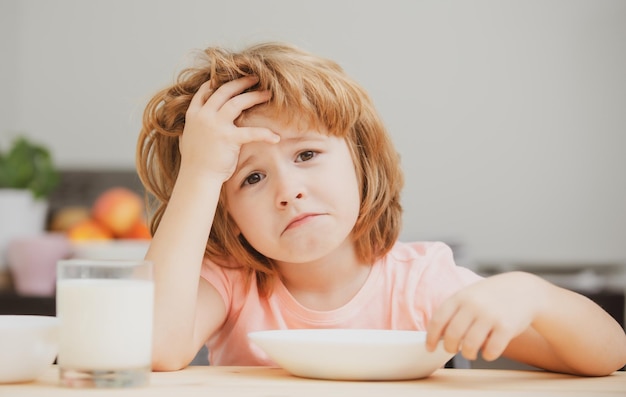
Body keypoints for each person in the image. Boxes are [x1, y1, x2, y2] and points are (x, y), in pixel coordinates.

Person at [136, 42, 626, 375]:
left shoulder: (418, 283)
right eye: (251, 177)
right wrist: (200, 173)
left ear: (362, 163)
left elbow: (608, 357)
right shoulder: (231, 283)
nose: (288, 191)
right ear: (228, 217)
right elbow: (153, 346)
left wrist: (531, 294)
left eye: (306, 155)